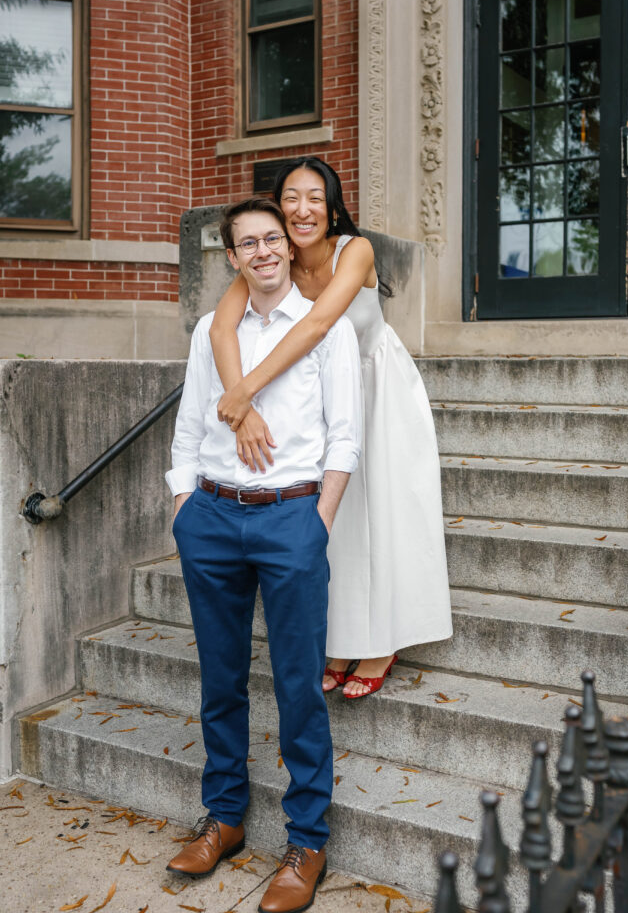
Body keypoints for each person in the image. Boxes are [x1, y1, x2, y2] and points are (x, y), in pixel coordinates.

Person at [165, 196, 362, 913]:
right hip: (212, 516)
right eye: (246, 243)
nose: (262, 251)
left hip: (290, 519)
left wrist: (319, 520)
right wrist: (184, 502)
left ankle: (305, 840)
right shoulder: (211, 332)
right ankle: (224, 820)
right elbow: (191, 423)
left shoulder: (326, 330)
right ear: (232, 257)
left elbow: (345, 435)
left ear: (289, 244)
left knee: (297, 687)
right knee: (220, 681)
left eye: (271, 238)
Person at [209, 157, 452, 699]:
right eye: (291, 197)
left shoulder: (355, 249)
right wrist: (240, 404)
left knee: (385, 514)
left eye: (315, 197)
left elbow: (320, 324)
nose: (302, 208)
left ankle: (383, 641)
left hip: (378, 388)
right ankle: (342, 637)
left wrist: (246, 388)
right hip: (318, 397)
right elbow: (223, 326)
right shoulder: (278, 256)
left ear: (333, 205)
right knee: (336, 523)